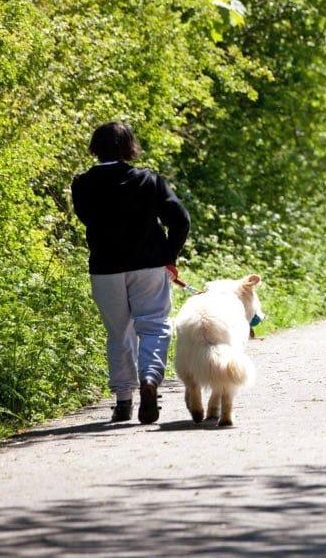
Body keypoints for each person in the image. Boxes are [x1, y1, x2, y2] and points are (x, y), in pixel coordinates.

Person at [71, 121, 190, 424]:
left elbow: (87, 218)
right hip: (149, 265)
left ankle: (123, 401)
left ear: (95, 149)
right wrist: (170, 256)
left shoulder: (82, 184)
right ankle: (149, 379)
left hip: (105, 269)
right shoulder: (149, 180)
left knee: (118, 332)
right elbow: (180, 219)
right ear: (129, 147)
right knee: (153, 325)